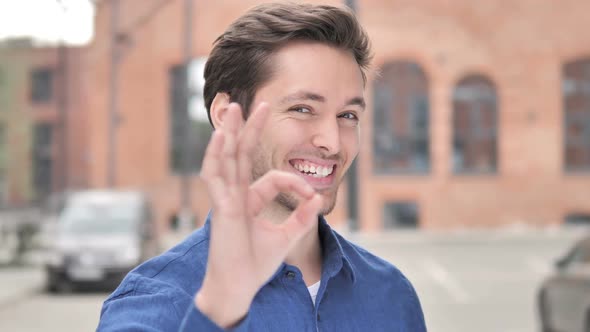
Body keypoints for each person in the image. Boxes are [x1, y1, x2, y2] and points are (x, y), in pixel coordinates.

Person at [97, 2, 426, 331]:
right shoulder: (154, 304)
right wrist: (219, 308)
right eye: (302, 108)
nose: (333, 142)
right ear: (228, 118)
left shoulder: (392, 296)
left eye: (348, 116)